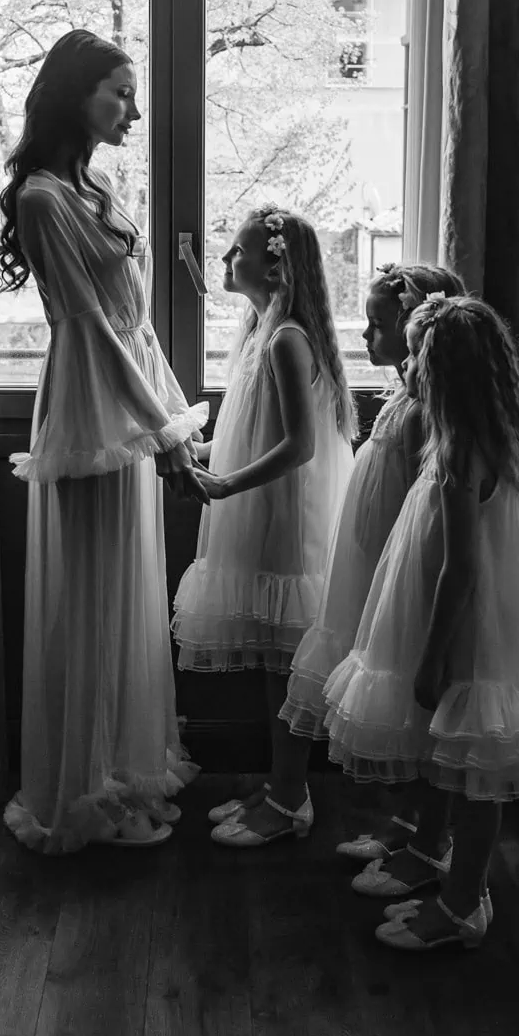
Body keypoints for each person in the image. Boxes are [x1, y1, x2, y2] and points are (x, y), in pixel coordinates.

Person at [324, 293, 519, 948]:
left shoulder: (458, 458)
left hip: (471, 634)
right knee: (463, 763)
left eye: (417, 357)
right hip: (479, 628)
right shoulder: (484, 443)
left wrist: (432, 655)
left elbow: (462, 569)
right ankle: (440, 864)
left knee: (478, 774)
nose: (409, 368)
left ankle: (463, 903)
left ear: (444, 372)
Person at [0, 30, 207, 854]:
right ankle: (82, 793)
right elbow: (90, 329)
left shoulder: (99, 188)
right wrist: (161, 431)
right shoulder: (42, 199)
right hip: (90, 409)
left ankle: (123, 773)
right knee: (92, 602)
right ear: (74, 95)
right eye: (120, 92)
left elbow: (137, 326)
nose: (133, 110)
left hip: (125, 398)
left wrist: (170, 419)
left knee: (126, 595)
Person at [172, 206, 354, 847]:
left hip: (287, 520)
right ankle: (281, 784)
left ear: (275, 266)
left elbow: (300, 445)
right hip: (265, 514)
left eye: (238, 250)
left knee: (288, 662)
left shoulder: (287, 340)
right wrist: (198, 451)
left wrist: (225, 485)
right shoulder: (260, 333)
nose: (226, 259)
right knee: (275, 662)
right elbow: (252, 429)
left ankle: (291, 797)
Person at [277, 264, 466, 871]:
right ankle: (408, 823)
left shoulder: (423, 413)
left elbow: (421, 509)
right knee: (396, 698)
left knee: (417, 705)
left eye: (377, 325)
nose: (364, 336)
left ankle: (431, 839)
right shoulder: (398, 401)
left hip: (401, 570)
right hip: (370, 568)